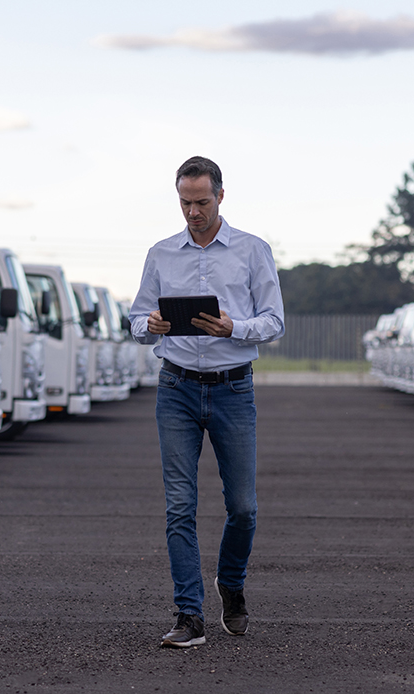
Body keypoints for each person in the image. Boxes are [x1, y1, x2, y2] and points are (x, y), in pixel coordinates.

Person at [128, 156, 285, 648]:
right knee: (180, 506)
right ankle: (188, 615)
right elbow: (135, 318)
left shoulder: (253, 251)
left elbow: (275, 321)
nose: (192, 212)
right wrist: (147, 326)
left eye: (200, 202)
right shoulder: (160, 253)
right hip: (175, 387)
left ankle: (231, 583)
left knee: (243, 507)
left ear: (220, 196)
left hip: (233, 387)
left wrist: (233, 328)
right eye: (184, 202)